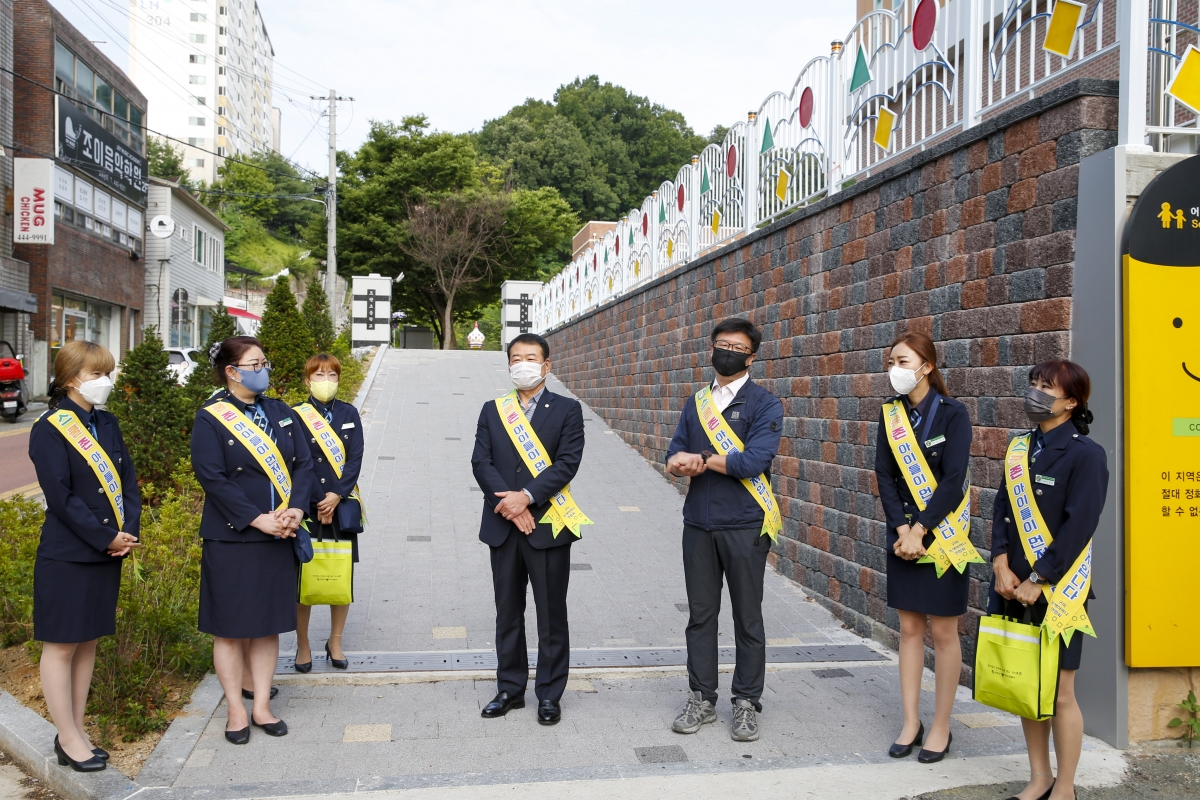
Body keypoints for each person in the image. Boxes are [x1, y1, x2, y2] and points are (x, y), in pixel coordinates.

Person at [191, 336, 317, 745]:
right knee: (228, 629)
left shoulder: (281, 412)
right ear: (232, 371)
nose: (263, 369)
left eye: (264, 361)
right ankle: (234, 708)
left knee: (267, 627)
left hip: (281, 533)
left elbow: (304, 464)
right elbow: (213, 478)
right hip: (233, 538)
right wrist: (256, 519)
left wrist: (297, 509)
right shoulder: (211, 418)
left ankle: (261, 704)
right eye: (255, 363)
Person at [990, 361, 1106, 800]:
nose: (1036, 393)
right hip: (1010, 583)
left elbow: (1081, 525)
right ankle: (1039, 777)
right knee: (1027, 687)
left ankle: (1066, 787)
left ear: (1071, 402)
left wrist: (1039, 578)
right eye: (1034, 384)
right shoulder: (1020, 447)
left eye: (1047, 388)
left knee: (1059, 693)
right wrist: (1000, 562)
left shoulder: (1086, 454)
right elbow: (1002, 507)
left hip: (1057, 589)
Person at [665, 317, 783, 743]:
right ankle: (701, 697)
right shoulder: (695, 402)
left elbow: (753, 462)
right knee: (700, 617)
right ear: (711, 348)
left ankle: (747, 703)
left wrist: (703, 457)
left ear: (752, 356)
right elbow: (673, 452)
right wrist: (678, 463)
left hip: (746, 525)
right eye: (721, 343)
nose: (726, 351)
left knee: (748, 618)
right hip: (698, 523)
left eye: (736, 346)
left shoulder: (765, 404)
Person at [28, 341, 140, 772]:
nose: (105, 381)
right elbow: (61, 497)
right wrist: (104, 537)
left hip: (107, 550)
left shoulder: (107, 423)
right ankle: (67, 736)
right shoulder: (50, 428)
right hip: (69, 554)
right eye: (97, 374)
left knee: (88, 640)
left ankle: (76, 729)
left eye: (107, 372)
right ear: (71, 377)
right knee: (60, 646)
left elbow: (127, 482)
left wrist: (127, 531)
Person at [471, 332, 587, 725]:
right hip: (504, 524)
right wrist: (510, 505)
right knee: (508, 611)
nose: (523, 363)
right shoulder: (492, 409)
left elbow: (567, 463)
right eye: (516, 357)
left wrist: (527, 497)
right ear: (508, 364)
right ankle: (510, 689)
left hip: (548, 525)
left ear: (546, 365)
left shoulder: (568, 409)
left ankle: (550, 694)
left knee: (551, 613)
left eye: (531, 357)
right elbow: (480, 462)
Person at [873, 332, 976, 764]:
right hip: (903, 539)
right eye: (891, 361)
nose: (895, 368)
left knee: (944, 631)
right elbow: (884, 474)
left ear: (926, 366)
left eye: (902, 360)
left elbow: (953, 479)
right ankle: (912, 720)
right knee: (910, 629)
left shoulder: (953, 413)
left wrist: (921, 530)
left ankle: (941, 725)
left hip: (944, 538)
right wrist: (901, 528)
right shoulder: (890, 415)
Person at [293, 353, 365, 671]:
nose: (326, 381)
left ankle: (335, 641)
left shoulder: (349, 413)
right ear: (307, 381)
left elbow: (355, 458)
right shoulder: (295, 415)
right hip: (307, 508)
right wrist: (318, 501)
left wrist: (337, 495)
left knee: (341, 576)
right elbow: (296, 463)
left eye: (332, 375)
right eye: (319, 376)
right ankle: (303, 644)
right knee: (303, 580)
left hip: (343, 506)